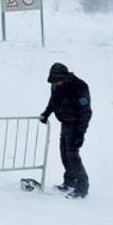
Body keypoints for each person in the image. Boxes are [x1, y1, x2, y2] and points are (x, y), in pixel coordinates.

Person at [39, 62, 92, 198]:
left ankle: (82, 187)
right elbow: (53, 100)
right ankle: (70, 182)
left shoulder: (79, 87)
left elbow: (86, 112)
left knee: (73, 156)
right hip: (65, 122)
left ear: (65, 77)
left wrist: (80, 133)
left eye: (58, 81)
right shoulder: (56, 85)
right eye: (54, 82)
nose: (56, 84)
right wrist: (46, 113)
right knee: (64, 154)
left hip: (76, 124)